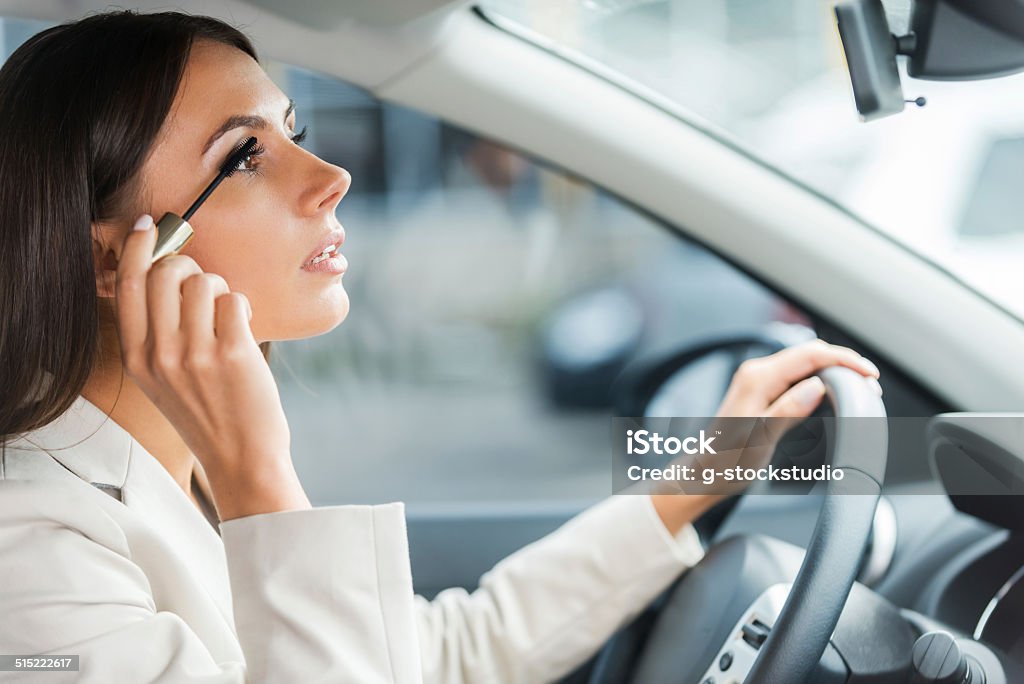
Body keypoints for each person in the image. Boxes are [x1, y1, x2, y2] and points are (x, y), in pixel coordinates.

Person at [0, 10, 882, 683]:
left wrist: (692, 482)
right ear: (111, 262)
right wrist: (257, 474)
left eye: (292, 133)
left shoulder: (171, 476)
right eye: (245, 159)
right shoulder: (29, 549)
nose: (331, 176)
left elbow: (437, 654)